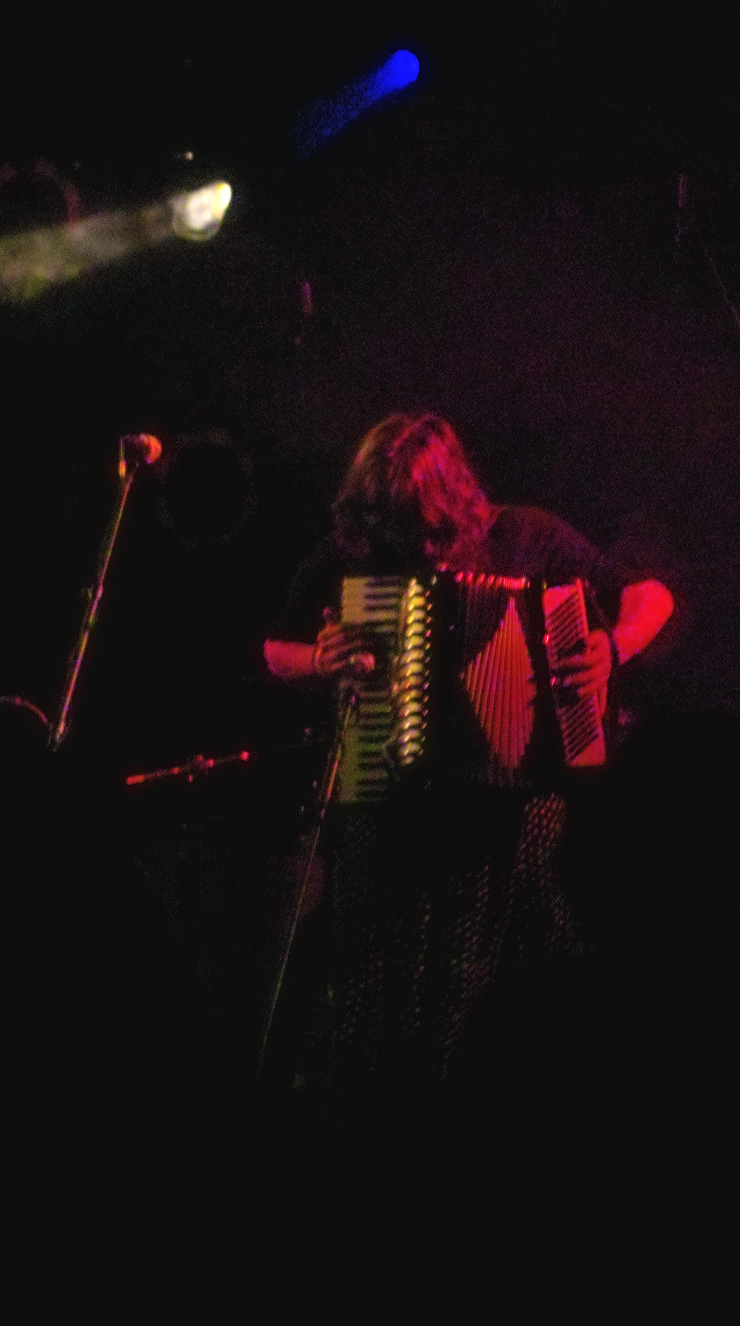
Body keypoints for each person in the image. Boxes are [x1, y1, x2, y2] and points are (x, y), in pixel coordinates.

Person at [262, 412, 673, 1083]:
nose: (420, 548)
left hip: (517, 813)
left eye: (432, 530)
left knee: (519, 983)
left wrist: (613, 649)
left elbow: (652, 597)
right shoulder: (357, 551)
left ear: (456, 499)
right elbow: (274, 649)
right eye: (402, 530)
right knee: (375, 996)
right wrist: (316, 658)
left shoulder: (527, 536)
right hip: (396, 806)